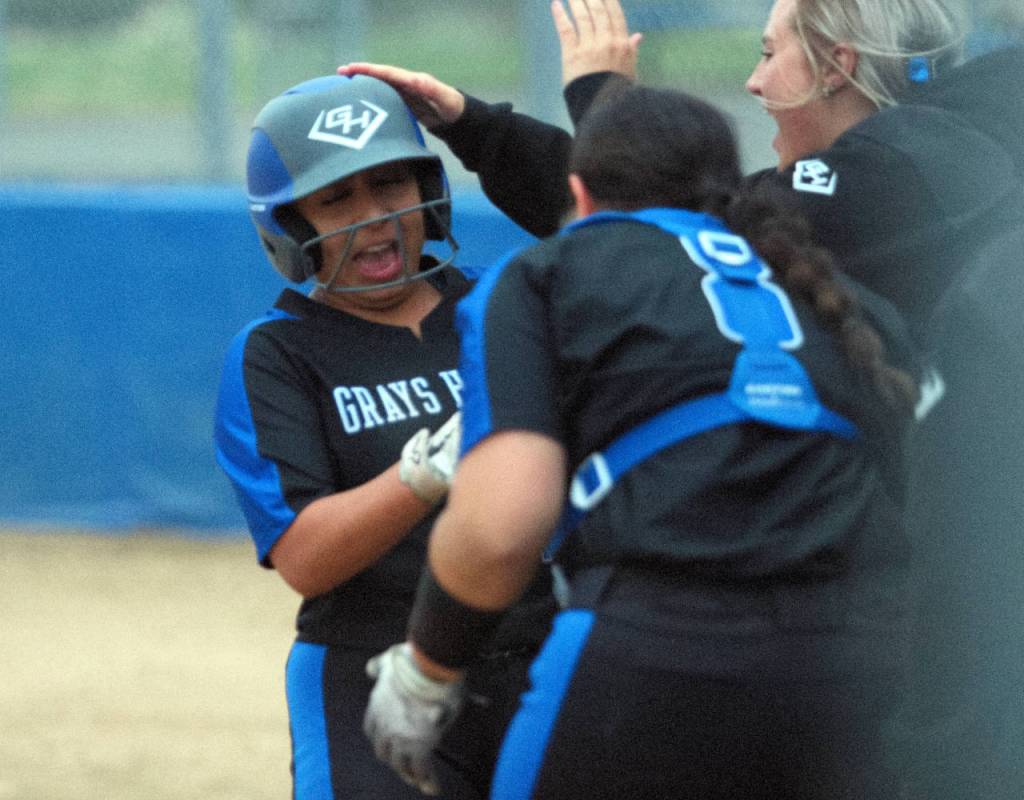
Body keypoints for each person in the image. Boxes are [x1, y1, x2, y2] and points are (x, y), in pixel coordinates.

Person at [340, 1, 1024, 795]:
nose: (753, 78)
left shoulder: (891, 175)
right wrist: (487, 128)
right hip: (852, 646)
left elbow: (501, 525)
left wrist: (425, 672)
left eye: (770, 53)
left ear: (837, 64)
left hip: (655, 642)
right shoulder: (852, 298)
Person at [213, 74, 554, 800]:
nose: (373, 217)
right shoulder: (278, 353)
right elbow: (305, 555)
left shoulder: (498, 306)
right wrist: (429, 469)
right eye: (337, 198)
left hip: (537, 656)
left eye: (391, 184)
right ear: (290, 225)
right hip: (369, 666)